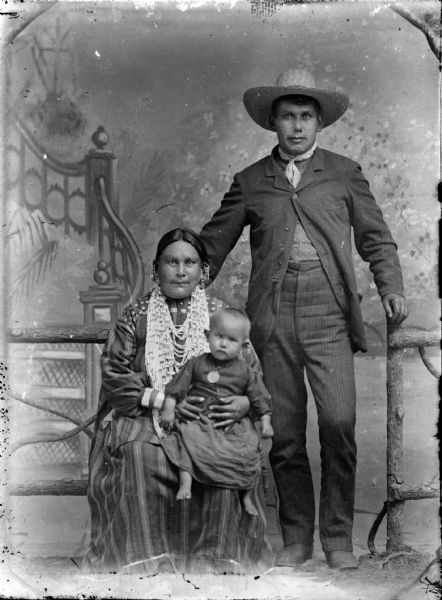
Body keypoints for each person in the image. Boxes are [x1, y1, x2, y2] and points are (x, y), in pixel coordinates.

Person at [199, 68, 409, 570]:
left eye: (306, 117)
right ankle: (296, 537)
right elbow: (211, 246)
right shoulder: (250, 181)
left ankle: (338, 540)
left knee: (338, 424)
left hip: (329, 315)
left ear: (319, 123)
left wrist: (392, 287)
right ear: (273, 122)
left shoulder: (343, 173)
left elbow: (376, 238)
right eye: (288, 117)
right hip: (270, 320)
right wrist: (180, 278)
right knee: (286, 433)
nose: (297, 127)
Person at [82, 228, 274, 575]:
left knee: (226, 455)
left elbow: (251, 373)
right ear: (156, 270)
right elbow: (115, 375)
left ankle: (213, 564)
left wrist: (244, 404)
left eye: (190, 263)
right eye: (172, 262)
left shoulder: (220, 316)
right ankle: (146, 564)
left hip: (210, 417)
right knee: (141, 454)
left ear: (204, 272)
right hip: (145, 414)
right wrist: (159, 400)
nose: (181, 271)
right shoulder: (136, 315)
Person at [159, 307, 274, 516]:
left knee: (249, 450)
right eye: (218, 336)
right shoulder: (196, 363)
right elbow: (176, 388)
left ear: (243, 345)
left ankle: (246, 497)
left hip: (231, 423)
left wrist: (265, 422)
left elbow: (259, 396)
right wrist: (168, 409)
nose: (223, 343)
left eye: (231, 340)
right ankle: (186, 484)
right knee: (186, 439)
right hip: (200, 418)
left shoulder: (245, 371)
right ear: (207, 336)